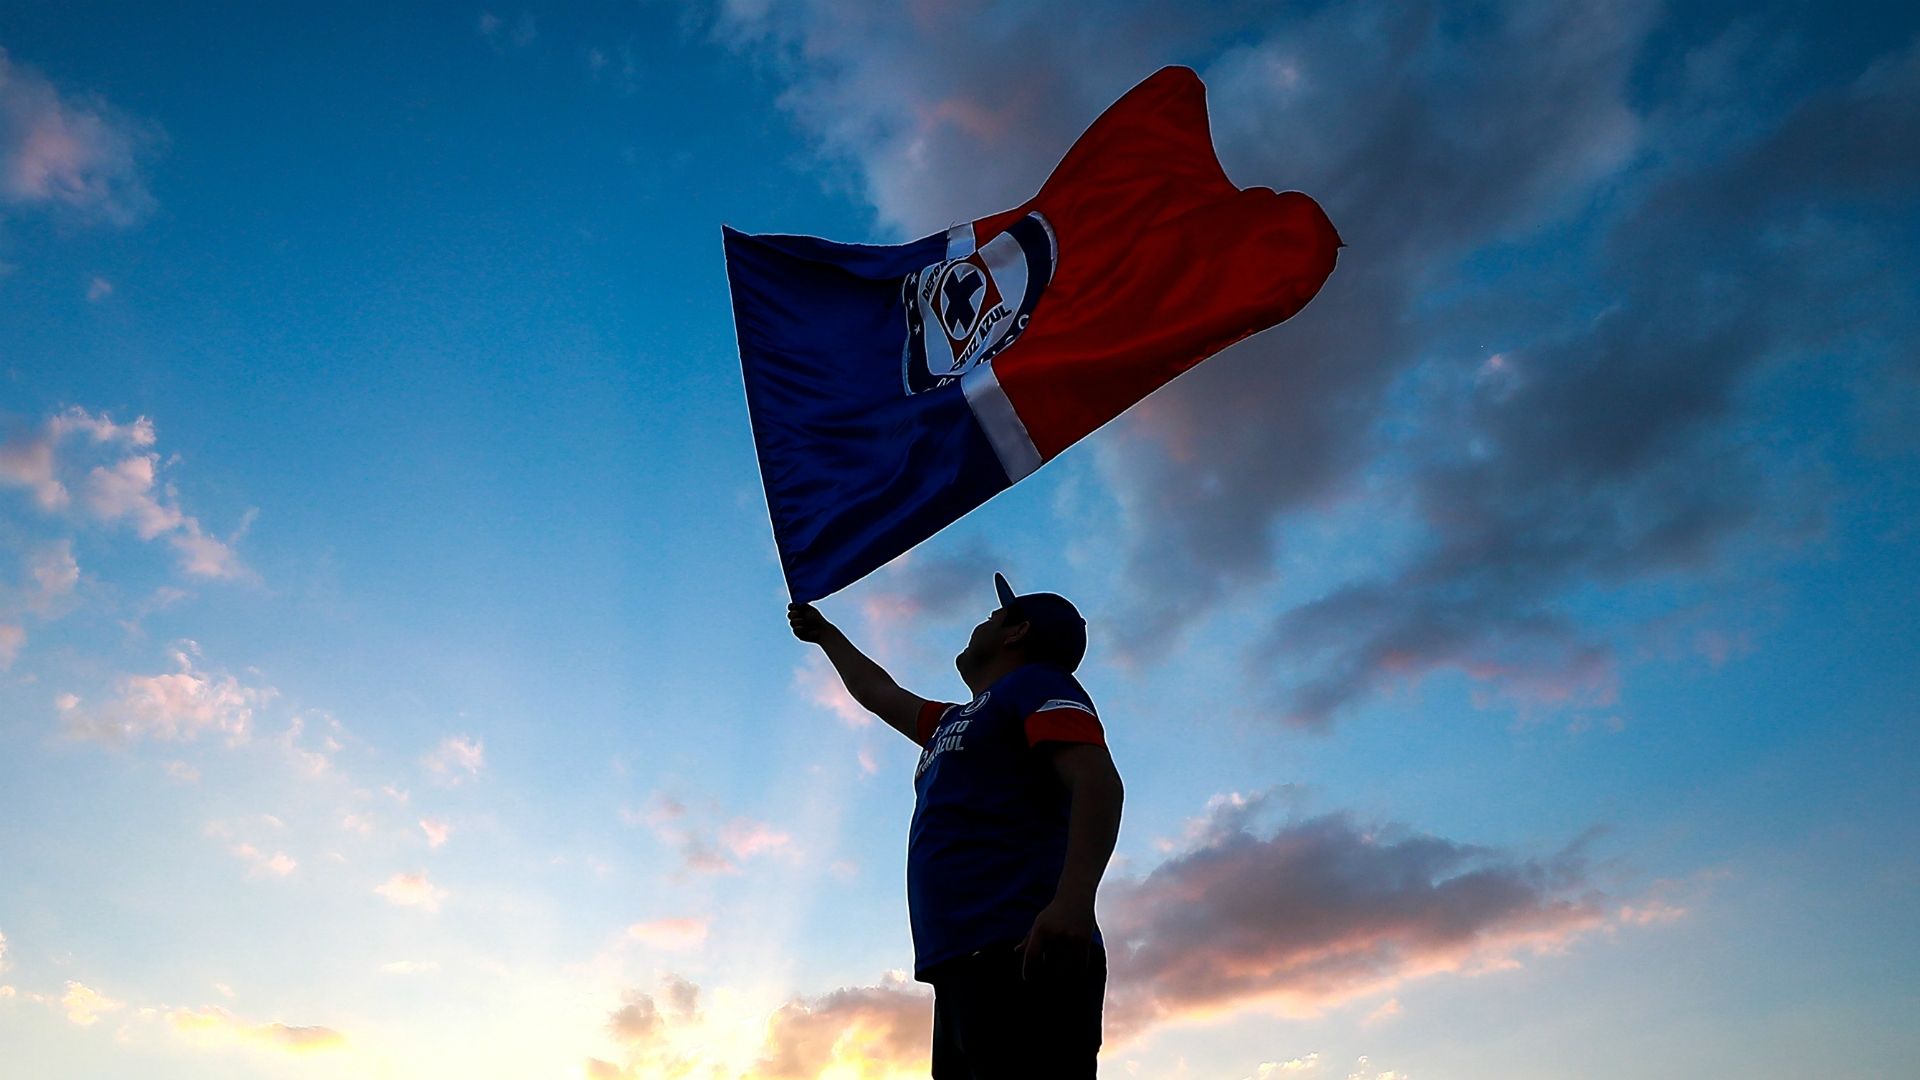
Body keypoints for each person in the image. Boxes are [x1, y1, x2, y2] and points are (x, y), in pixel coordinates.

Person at [788, 572, 1124, 1079]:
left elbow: (1097, 782)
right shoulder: (953, 720)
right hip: (959, 963)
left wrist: (1073, 903)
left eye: (995, 616)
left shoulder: (1036, 683)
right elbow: (879, 692)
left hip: (1023, 947)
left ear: (1016, 632)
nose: (981, 623)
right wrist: (827, 635)